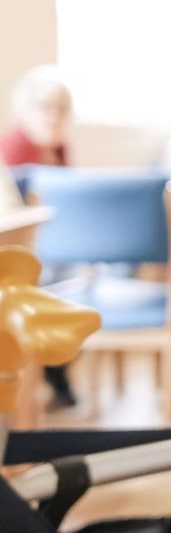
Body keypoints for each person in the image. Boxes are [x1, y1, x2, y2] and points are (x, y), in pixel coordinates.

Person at [0, 67, 78, 407]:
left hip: (59, 248)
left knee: (77, 277)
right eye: (44, 108)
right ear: (25, 111)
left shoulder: (60, 151)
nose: (53, 117)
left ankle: (57, 370)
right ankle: (54, 372)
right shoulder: (12, 151)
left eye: (60, 109)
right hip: (24, 251)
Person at [0, 66, 73, 167]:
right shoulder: (12, 146)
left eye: (62, 108)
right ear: (24, 109)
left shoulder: (59, 148)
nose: (54, 117)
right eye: (45, 108)